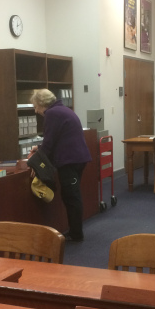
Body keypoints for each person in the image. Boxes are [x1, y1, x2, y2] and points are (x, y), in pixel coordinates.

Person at [30, 89, 92, 242]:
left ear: (42, 104)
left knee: (71, 196)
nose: (36, 110)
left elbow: (49, 143)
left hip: (70, 160)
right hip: (76, 158)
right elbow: (55, 138)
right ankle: (75, 231)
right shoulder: (62, 110)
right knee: (71, 195)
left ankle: (76, 234)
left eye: (36, 106)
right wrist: (39, 148)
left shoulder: (52, 114)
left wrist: (34, 163)